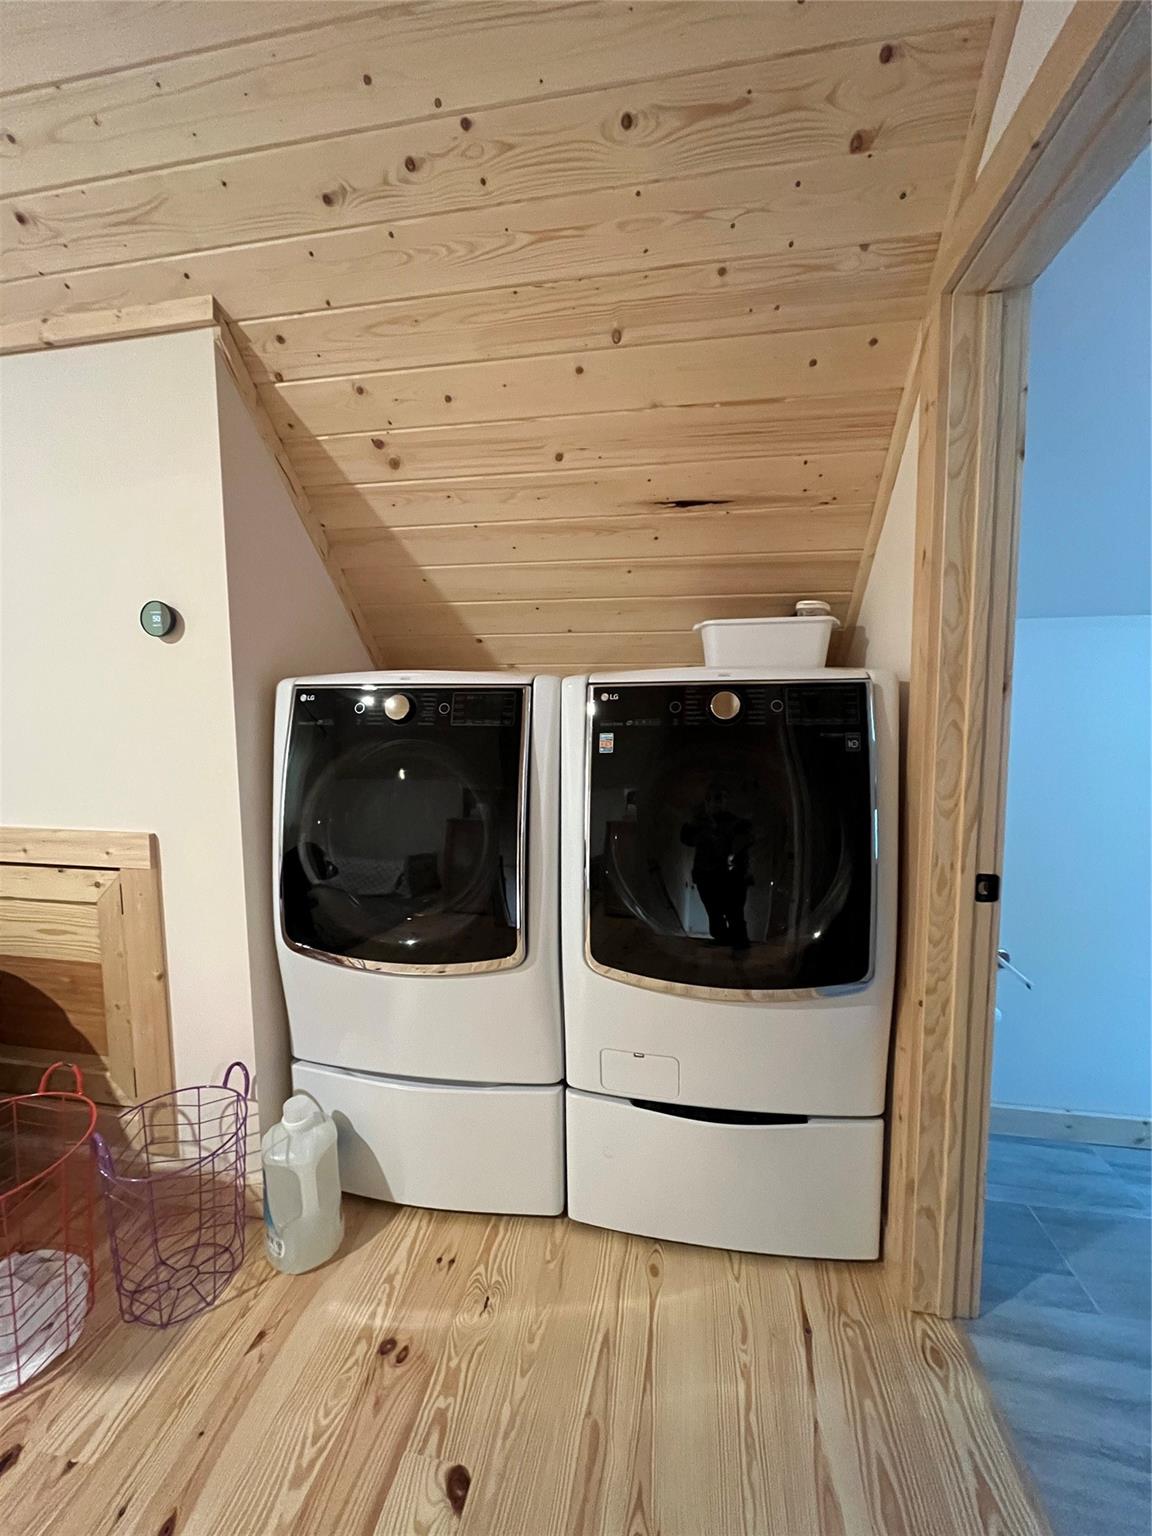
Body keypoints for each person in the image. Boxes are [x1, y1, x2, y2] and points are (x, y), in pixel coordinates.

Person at [680, 785, 753, 952]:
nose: (717, 804)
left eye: (721, 798)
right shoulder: (702, 824)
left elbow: (740, 843)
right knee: (715, 913)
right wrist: (698, 823)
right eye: (714, 799)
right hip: (707, 876)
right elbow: (687, 838)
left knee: (734, 914)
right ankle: (724, 940)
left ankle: (738, 946)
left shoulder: (737, 824)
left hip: (730, 878)